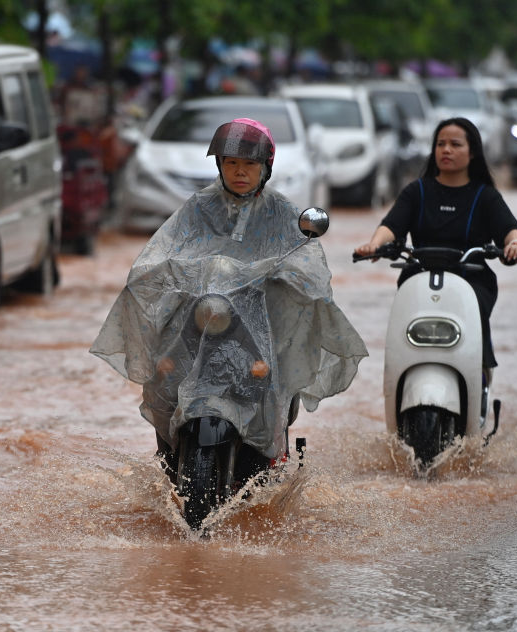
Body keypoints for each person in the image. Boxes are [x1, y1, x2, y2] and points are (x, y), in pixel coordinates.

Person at [91, 118, 366, 465]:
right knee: (166, 371)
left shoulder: (283, 212)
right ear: (220, 166)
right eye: (231, 162)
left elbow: (308, 266)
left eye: (249, 163)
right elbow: (161, 252)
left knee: (277, 369)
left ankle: (272, 438)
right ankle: (170, 443)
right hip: (201, 319)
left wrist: (289, 277)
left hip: (258, 322)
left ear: (265, 168)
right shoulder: (198, 208)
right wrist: (154, 274)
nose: (239, 171)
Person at [354, 117, 517, 381]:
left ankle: (480, 371)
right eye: (440, 144)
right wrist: (374, 244)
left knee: (475, 313)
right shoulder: (417, 191)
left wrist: (515, 244)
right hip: (419, 276)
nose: (446, 150)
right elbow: (391, 225)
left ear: (472, 152)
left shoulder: (486, 196)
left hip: (472, 279)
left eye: (455, 144)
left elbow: (510, 230)